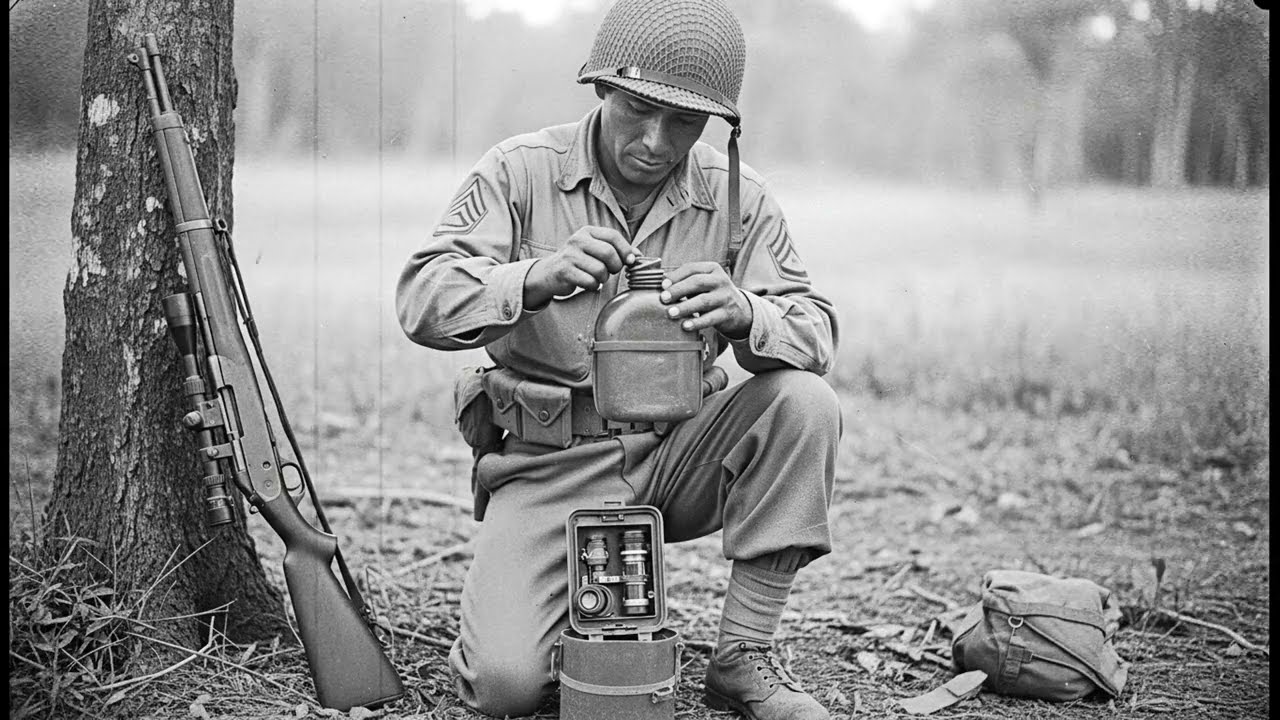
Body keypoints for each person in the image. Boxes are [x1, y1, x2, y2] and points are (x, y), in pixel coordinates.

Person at [396, 1, 841, 717]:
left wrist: (746, 311)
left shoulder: (739, 197)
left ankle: (743, 657)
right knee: (504, 688)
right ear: (600, 88)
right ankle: (581, 592)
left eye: (686, 123)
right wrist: (531, 280)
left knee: (805, 403)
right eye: (638, 109)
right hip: (551, 458)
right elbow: (423, 298)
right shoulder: (519, 172)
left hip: (683, 451)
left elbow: (815, 329)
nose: (658, 142)